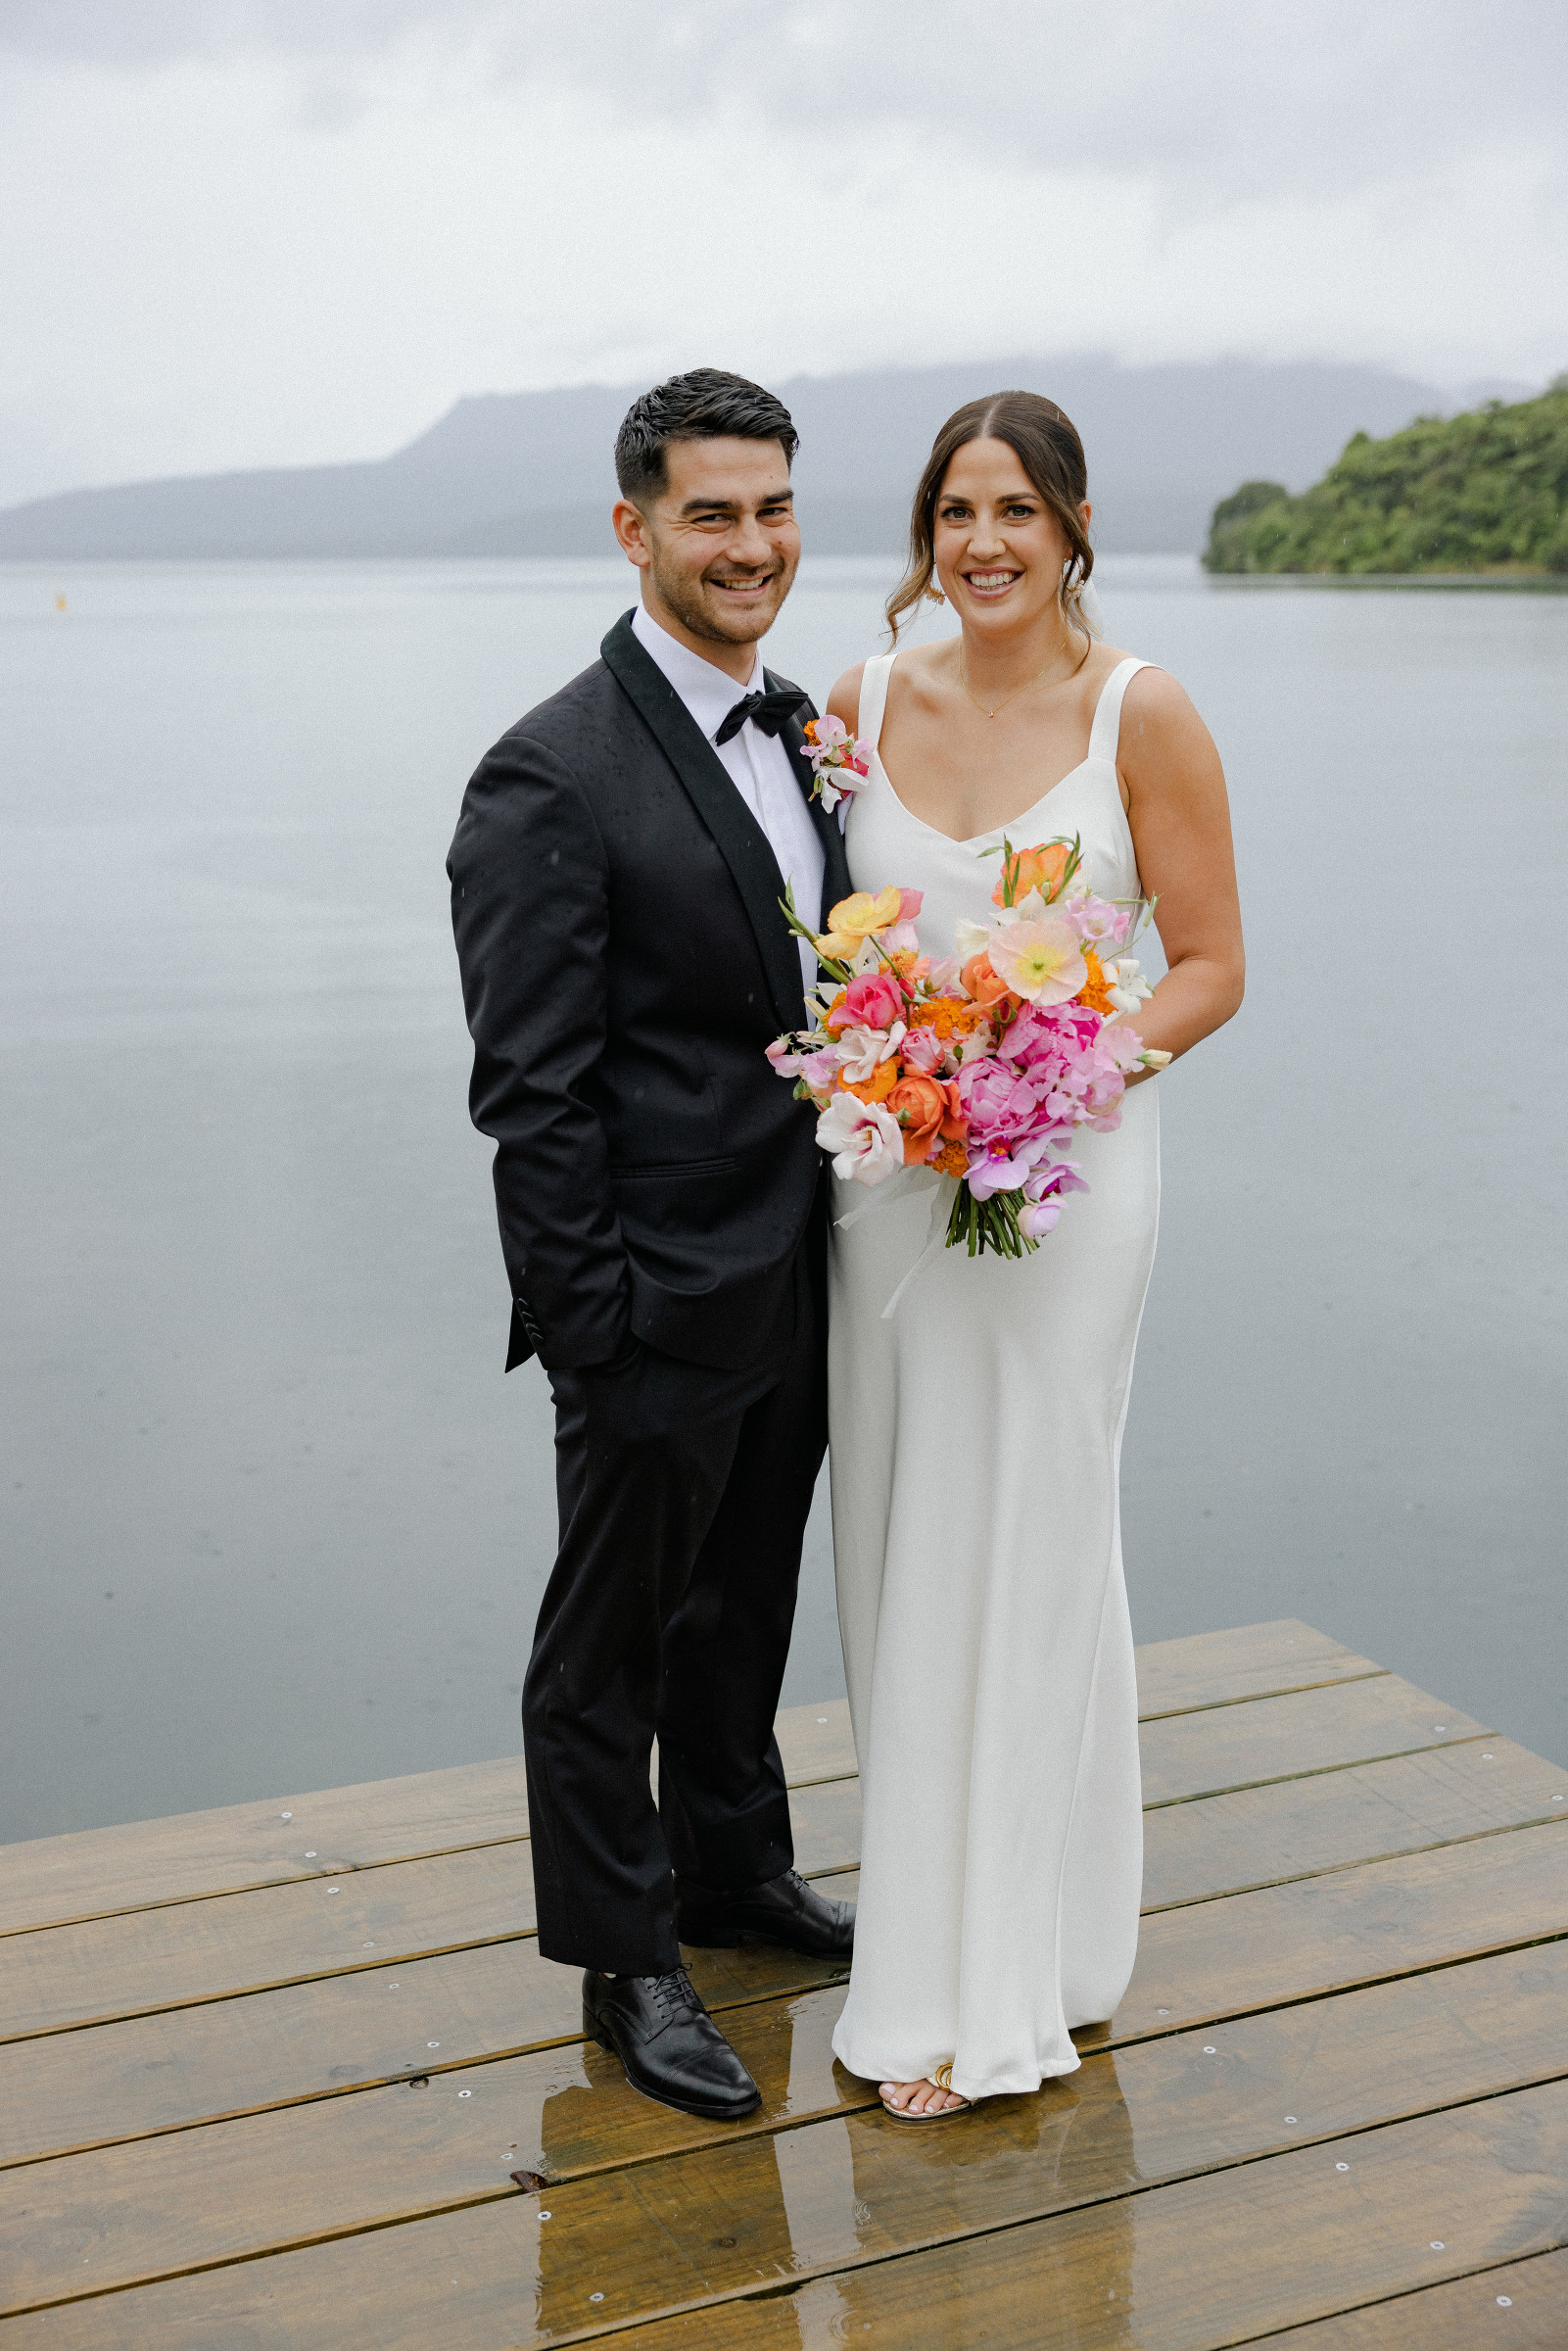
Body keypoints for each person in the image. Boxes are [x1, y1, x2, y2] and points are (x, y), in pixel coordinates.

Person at [823, 392, 1245, 2119]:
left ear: (1071, 525)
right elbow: (828, 945)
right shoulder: (857, 703)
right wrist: (888, 1066)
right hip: (890, 1188)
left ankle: (990, 1996)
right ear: (925, 534)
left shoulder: (1142, 709)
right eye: (954, 511)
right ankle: (969, 1934)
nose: (982, 542)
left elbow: (1208, 964)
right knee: (904, 1537)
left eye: (1015, 510)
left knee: (1034, 1529)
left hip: (1064, 1180)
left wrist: (1062, 1070)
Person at [448, 369, 855, 2124]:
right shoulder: (548, 771)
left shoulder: (802, 729)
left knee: (742, 1599)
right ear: (634, 529)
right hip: (649, 1294)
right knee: (604, 1646)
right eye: (711, 515)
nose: (749, 546)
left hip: (800, 1263)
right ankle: (626, 1960)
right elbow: (528, 1094)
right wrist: (592, 1328)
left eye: (772, 509)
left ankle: (733, 1872)